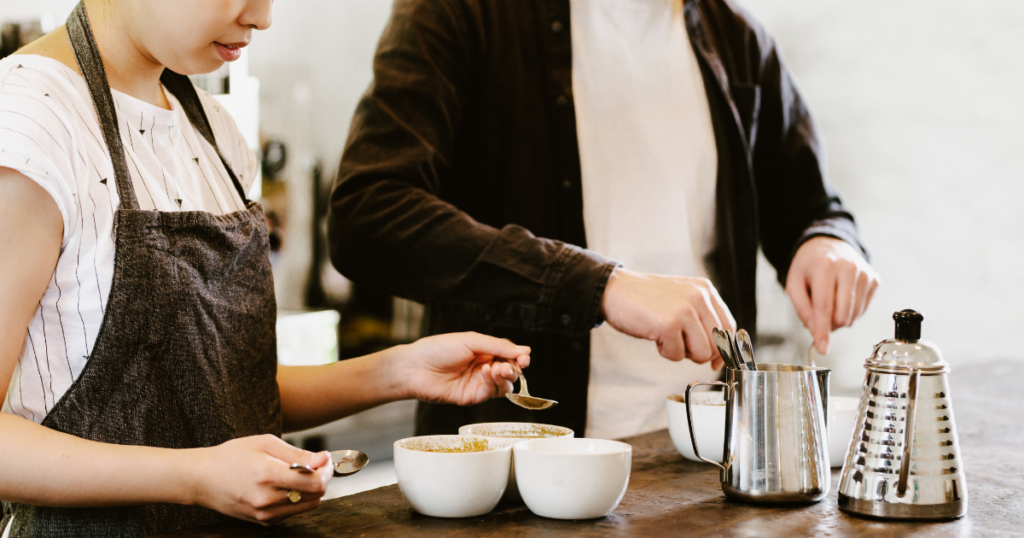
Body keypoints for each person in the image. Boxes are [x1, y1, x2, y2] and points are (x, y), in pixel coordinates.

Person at [0, 1, 532, 536]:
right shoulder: (31, 121)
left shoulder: (212, 128)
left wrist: (402, 370)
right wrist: (194, 476)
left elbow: (225, 388)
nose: (262, 16)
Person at [328, 0, 881, 440]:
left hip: (705, 462)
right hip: (518, 472)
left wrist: (826, 243)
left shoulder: (736, 36)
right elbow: (367, 214)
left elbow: (814, 208)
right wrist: (601, 286)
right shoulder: (459, 12)